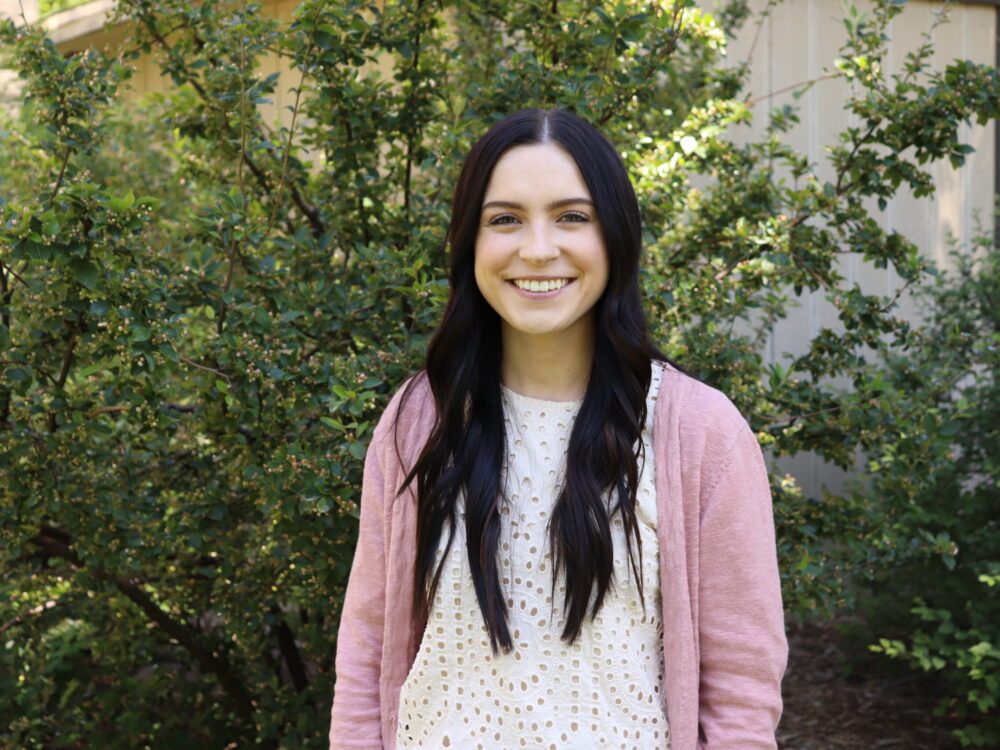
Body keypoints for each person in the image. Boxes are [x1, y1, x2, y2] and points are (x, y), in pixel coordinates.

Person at [328, 108, 787, 750]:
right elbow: (367, 653)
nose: (538, 248)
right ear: (470, 241)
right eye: (505, 219)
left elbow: (740, 694)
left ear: (616, 236)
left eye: (572, 217)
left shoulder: (700, 433)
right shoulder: (418, 421)